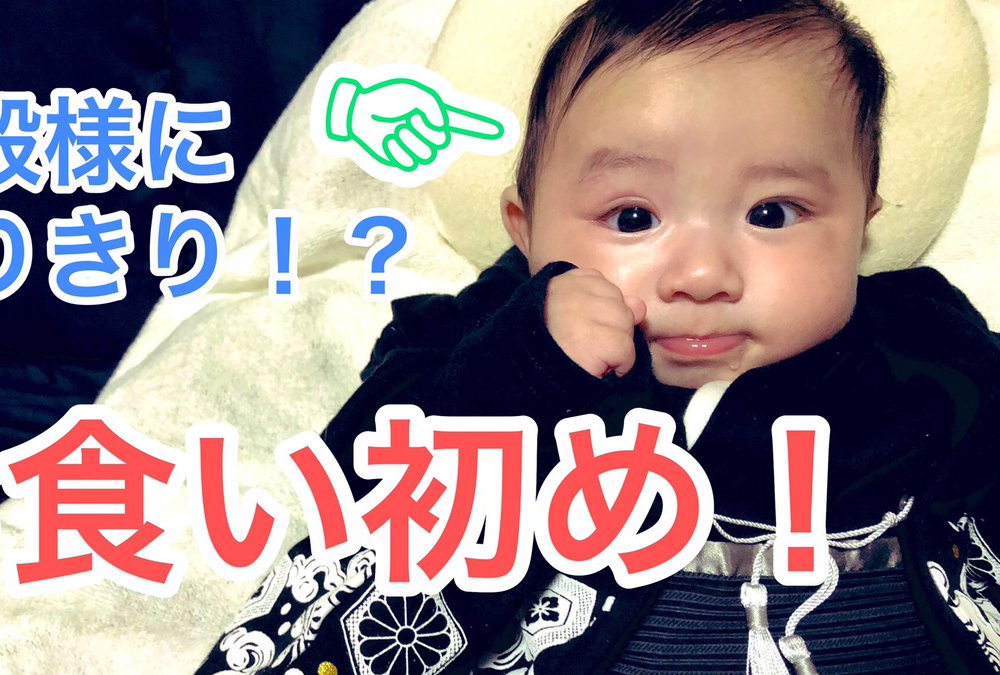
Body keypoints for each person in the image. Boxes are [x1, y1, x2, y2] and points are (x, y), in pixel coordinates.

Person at [197, 1, 1000, 673]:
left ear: (862, 225)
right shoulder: (475, 343)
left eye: (772, 213)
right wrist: (524, 368)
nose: (702, 274)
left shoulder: (923, 344)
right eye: (633, 217)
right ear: (526, 230)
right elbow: (366, 492)